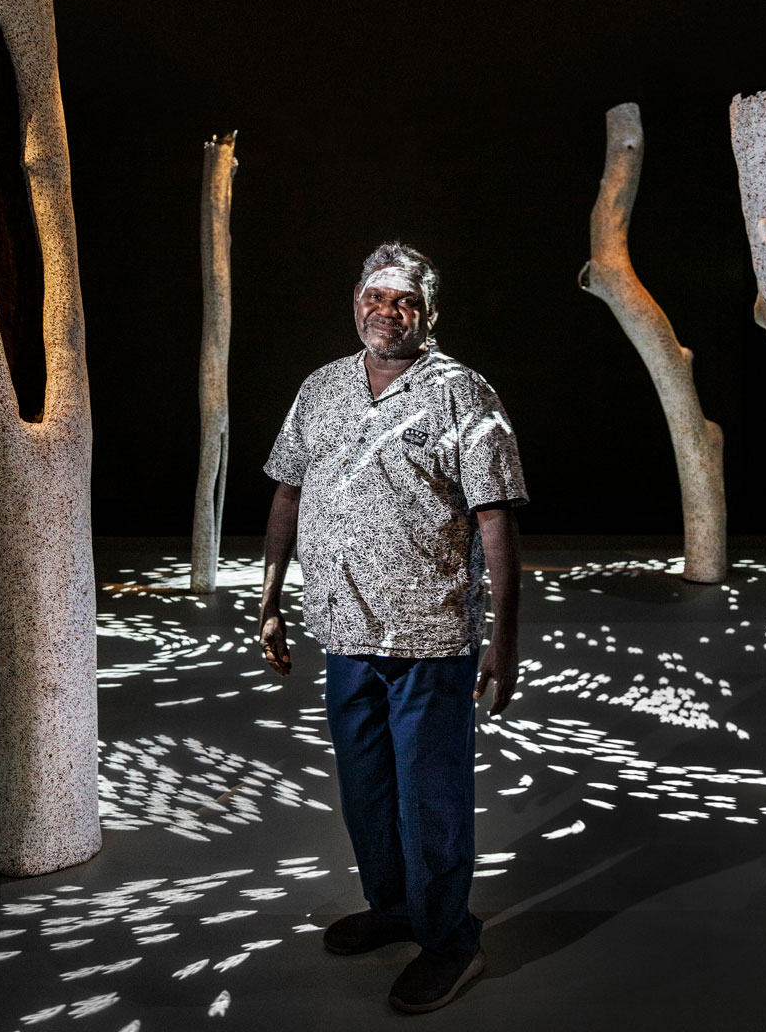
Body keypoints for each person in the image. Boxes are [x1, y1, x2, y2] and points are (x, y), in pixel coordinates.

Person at [259, 241, 527, 1014]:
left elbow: (496, 521)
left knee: (430, 796)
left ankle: (451, 941)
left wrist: (504, 642)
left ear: (428, 313)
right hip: (343, 630)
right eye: (376, 297)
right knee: (366, 787)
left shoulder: (461, 393)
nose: (387, 311)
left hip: (429, 638)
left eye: (404, 301)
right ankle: (396, 909)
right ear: (355, 300)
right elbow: (287, 493)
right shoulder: (322, 389)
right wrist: (271, 597)